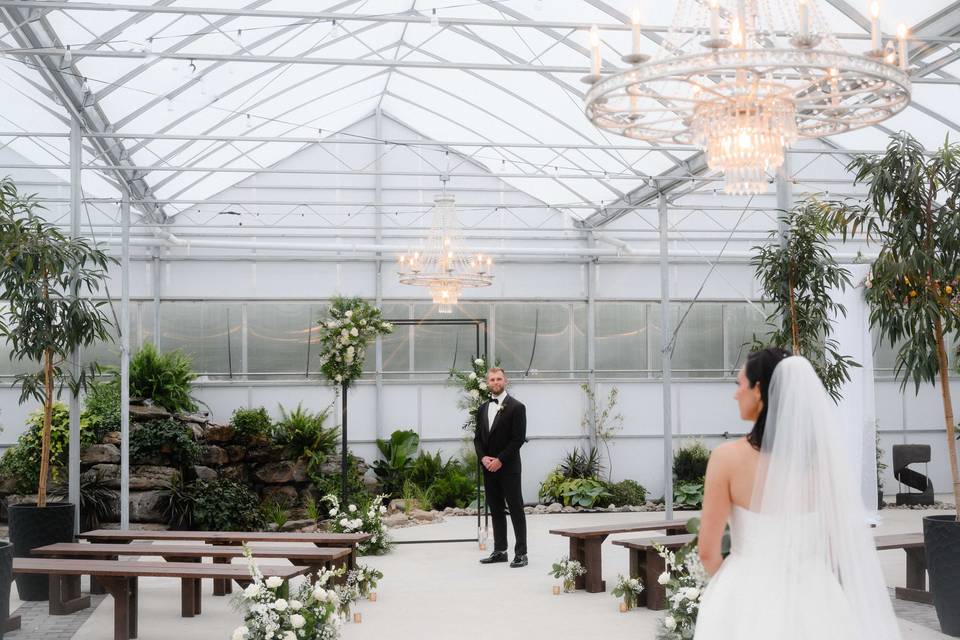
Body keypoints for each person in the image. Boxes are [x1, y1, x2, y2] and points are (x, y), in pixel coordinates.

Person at [694, 348, 901, 639]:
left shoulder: (726, 459)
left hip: (747, 595)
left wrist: (734, 589)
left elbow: (707, 551)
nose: (735, 394)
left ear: (760, 390)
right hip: (817, 597)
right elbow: (834, 546)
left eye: (739, 384)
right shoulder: (822, 462)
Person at [474, 367, 528, 568]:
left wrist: (500, 460)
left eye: (498, 379)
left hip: (509, 468)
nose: (495, 382)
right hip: (489, 468)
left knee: (515, 509)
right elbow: (478, 439)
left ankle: (521, 553)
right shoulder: (482, 409)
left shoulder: (517, 407)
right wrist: (483, 459)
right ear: (487, 383)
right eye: (492, 380)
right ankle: (500, 550)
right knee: (495, 509)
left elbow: (518, 439)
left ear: (505, 381)